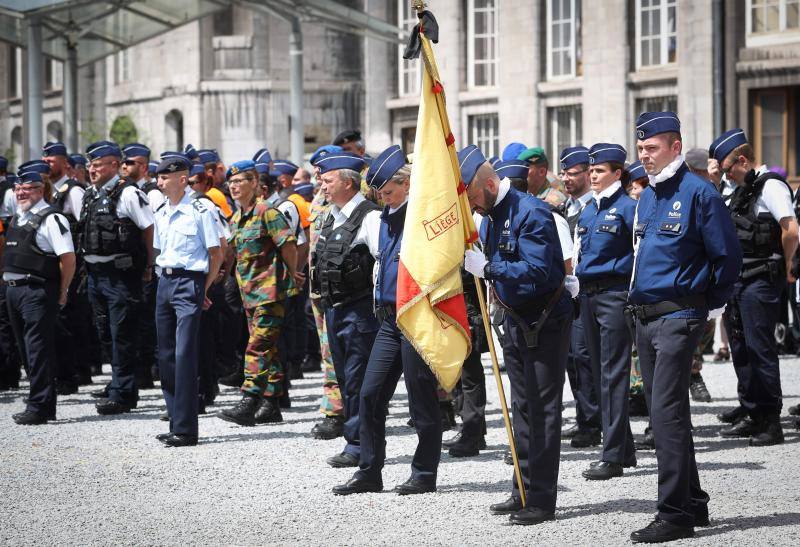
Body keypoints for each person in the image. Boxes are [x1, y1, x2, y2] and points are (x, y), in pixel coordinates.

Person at [627, 112, 741, 543]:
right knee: (670, 414)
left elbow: (726, 257)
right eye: (641, 149)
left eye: (652, 148)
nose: (645, 156)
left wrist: (708, 305)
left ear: (676, 146)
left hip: (679, 316)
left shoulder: (699, 193)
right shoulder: (648, 197)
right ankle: (693, 500)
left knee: (665, 415)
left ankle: (674, 513)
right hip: (647, 318)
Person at [460, 144, 573, 526]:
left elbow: (540, 271)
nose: (473, 207)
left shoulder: (532, 211)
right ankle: (522, 488)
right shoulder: (490, 215)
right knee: (520, 410)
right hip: (514, 321)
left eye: (473, 196)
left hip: (542, 321)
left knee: (542, 411)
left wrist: (490, 268)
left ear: (490, 183)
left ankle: (541, 498)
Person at [333, 145, 441, 495]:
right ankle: (369, 470)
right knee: (369, 394)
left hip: (417, 318)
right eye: (380, 193)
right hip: (388, 321)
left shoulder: (421, 219)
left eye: (390, 192)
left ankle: (424, 473)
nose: (384, 198)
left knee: (420, 398)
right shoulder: (381, 219)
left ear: (407, 185)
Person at [710, 129, 798, 446]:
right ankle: (752, 412)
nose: (726, 174)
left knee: (761, 350)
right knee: (741, 350)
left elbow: (790, 229)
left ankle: (771, 421)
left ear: (743, 160)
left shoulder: (771, 186)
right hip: (739, 279)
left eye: (728, 168)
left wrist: (788, 266)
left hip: (761, 278)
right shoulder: (741, 190)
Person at [216, 160, 300, 426]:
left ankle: (250, 399)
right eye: (231, 183)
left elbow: (288, 244)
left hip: (270, 292)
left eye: (240, 181)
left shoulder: (268, 212)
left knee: (258, 346)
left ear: (255, 184)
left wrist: (293, 272)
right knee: (269, 349)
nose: (234, 186)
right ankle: (271, 403)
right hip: (249, 293)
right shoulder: (238, 217)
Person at [311, 151, 381, 468]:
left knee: (357, 382)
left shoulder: (370, 217)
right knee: (344, 379)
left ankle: (359, 446)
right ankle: (355, 442)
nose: (322, 186)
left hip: (360, 311)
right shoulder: (332, 215)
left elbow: (384, 261)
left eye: (327, 180)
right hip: (334, 309)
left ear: (348, 183)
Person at [574, 143, 637, 480]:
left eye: (599, 171)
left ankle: (611, 455)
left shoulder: (629, 208)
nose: (593, 175)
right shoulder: (588, 210)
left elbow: (638, 255)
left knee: (613, 374)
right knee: (599, 374)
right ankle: (624, 448)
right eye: (592, 171)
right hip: (588, 295)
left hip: (615, 294)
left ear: (617, 173)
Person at [152, 153, 223, 447]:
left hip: (189, 281)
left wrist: (203, 289)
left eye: (165, 177)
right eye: (158, 176)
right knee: (166, 356)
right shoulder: (161, 210)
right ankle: (174, 419)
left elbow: (216, 253)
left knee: (184, 355)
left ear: (182, 179)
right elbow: (159, 249)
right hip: (165, 282)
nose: (159, 181)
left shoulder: (201, 208)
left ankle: (185, 429)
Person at [79, 140, 156, 415]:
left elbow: (149, 230)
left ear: (114, 165)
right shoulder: (90, 194)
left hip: (120, 276)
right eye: (90, 165)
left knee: (122, 334)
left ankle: (123, 393)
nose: (92, 170)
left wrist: (148, 265)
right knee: (105, 334)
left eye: (98, 165)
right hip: (95, 276)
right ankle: (117, 384)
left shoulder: (129, 194)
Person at [4, 170, 75, 424]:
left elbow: (67, 258)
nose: (21, 192)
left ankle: (41, 406)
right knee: (25, 349)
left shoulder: (51, 218)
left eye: (29, 188)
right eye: (18, 188)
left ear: (41, 190)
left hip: (37, 291)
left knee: (38, 350)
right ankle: (38, 400)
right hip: (13, 290)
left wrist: (63, 290)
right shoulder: (17, 218)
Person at [556, 146, 601, 448]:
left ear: (587, 172)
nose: (566, 179)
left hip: (593, 292)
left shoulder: (595, 206)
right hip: (571, 294)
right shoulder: (567, 208)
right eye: (564, 173)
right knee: (573, 359)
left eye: (572, 173)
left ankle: (594, 421)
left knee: (587, 358)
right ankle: (586, 418)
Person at [306, 145, 347, 440]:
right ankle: (334, 409)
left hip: (343, 285)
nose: (319, 175)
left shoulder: (349, 200)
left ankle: (339, 410)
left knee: (341, 350)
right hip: (319, 286)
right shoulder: (317, 200)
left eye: (324, 170)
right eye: (318, 170)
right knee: (327, 350)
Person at [43, 141, 91, 390]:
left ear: (65, 163)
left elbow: (85, 225)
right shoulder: (49, 191)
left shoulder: (73, 191)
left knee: (72, 317)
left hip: (72, 261)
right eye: (45, 160)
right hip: (53, 263)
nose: (47, 164)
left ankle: (78, 372)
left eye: (51, 160)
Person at [122, 143, 161, 390]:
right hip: (134, 266)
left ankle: (146, 372)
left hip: (151, 266)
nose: (125, 167)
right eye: (124, 162)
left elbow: (153, 231)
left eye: (131, 163)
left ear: (144, 166)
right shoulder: (127, 191)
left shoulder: (152, 193)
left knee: (147, 320)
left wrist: (150, 263)